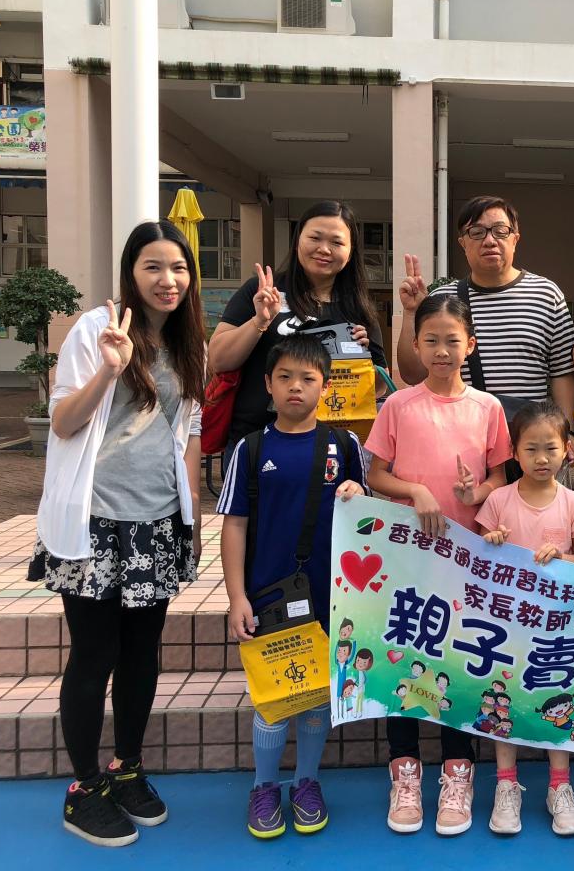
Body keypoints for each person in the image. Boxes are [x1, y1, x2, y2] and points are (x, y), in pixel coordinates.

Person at [27, 221, 207, 847]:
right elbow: (62, 422)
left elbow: (188, 431)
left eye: (179, 268)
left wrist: (191, 515)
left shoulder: (188, 342)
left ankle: (126, 767)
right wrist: (108, 371)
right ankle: (84, 788)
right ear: (131, 272)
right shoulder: (95, 330)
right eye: (153, 266)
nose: (168, 280)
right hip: (96, 520)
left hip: (157, 522)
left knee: (141, 654)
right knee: (93, 654)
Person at [366, 293, 512, 835]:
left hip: (466, 562)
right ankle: (404, 772)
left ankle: (458, 772)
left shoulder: (488, 407)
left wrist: (478, 492)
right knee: (403, 658)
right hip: (406, 559)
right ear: (416, 344)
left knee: (461, 663)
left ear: (470, 344)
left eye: (453, 340)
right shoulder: (398, 405)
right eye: (431, 340)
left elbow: (501, 477)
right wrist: (416, 490)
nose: (442, 350)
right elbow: (376, 473)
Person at [217, 334, 368, 839]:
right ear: (268, 384)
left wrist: (359, 491)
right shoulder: (250, 448)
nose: (295, 387)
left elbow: (367, 518)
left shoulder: (344, 445)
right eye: (284, 377)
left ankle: (306, 781)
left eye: (307, 378)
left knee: (317, 696)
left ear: (325, 386)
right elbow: (234, 524)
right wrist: (237, 596)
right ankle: (264, 786)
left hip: (331, 597)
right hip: (268, 597)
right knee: (272, 699)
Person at [476, 400, 574, 837]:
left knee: (558, 698)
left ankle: (559, 786)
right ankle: (506, 785)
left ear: (568, 449)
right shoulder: (497, 500)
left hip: (555, 628)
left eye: (551, 448)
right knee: (501, 701)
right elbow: (474, 558)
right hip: (506, 625)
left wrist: (561, 558)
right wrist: (491, 541)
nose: (542, 458)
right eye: (531, 449)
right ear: (513, 452)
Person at [395, 195, 574, 464]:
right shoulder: (443, 300)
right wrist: (412, 313)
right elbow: (413, 374)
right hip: (459, 441)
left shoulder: (546, 294)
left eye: (500, 231)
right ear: (463, 243)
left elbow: (562, 371)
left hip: (530, 443)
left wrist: (566, 431)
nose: (490, 240)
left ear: (515, 239)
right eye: (477, 232)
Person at [208, 200, 388, 458]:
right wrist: (259, 322)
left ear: (350, 253)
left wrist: (363, 358)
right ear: (297, 241)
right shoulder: (263, 291)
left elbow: (379, 387)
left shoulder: (359, 308)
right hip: (256, 444)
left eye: (336, 242)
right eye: (315, 238)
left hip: (331, 449)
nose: (324, 249)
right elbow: (218, 360)